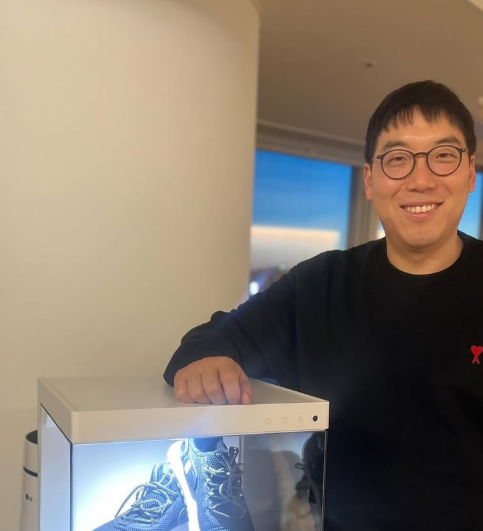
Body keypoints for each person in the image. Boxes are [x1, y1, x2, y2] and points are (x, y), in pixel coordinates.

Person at [164, 80, 483, 531]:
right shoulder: (320, 284)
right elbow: (211, 341)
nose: (420, 179)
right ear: (370, 180)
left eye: (443, 155)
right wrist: (208, 360)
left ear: (469, 173)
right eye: (397, 159)